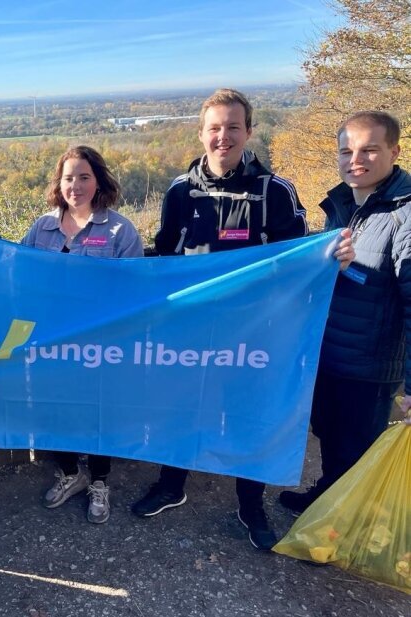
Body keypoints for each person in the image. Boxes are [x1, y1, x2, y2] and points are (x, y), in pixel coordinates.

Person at [132, 88, 312, 551]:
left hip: (254, 334)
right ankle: (172, 485)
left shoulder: (275, 191)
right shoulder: (178, 190)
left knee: (248, 415)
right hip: (191, 330)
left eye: (233, 126)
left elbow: (300, 259)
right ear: (201, 133)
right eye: (214, 127)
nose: (223, 136)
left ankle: (250, 503)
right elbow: (167, 253)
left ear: (248, 131)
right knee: (181, 410)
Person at [279, 111, 411, 514]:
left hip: (369, 366)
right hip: (330, 353)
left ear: (395, 151)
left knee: (355, 451)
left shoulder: (404, 215)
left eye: (370, 149)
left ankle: (335, 532)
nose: (357, 159)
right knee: (331, 439)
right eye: (347, 150)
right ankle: (325, 499)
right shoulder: (341, 204)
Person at [22, 145, 144, 524]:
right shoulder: (41, 228)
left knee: (97, 413)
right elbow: (19, 276)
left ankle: (100, 481)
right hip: (51, 343)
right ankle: (71, 474)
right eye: (69, 177)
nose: (75, 185)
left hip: (99, 345)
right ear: (59, 183)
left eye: (84, 177)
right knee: (55, 410)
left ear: (98, 181)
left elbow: (134, 289)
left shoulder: (120, 230)